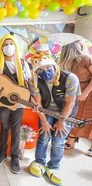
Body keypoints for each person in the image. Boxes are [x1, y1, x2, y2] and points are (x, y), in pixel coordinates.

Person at [29, 52, 80, 186]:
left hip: (65, 113)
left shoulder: (70, 78)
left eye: (47, 67)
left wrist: (61, 121)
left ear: (54, 65)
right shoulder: (34, 80)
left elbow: (70, 103)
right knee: (44, 136)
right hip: (46, 111)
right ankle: (39, 162)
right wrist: (45, 122)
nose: (44, 71)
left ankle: (54, 167)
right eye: (40, 69)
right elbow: (38, 103)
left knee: (58, 140)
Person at [0, 32, 31, 174]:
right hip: (2, 100)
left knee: (16, 129)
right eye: (5, 45)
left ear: (16, 46)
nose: (8, 47)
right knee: (4, 126)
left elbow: (29, 83)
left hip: (18, 102)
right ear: (1, 47)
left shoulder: (23, 63)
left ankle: (15, 157)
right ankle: (2, 153)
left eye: (11, 44)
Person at [58, 40, 92, 155]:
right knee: (76, 117)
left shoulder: (85, 59)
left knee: (89, 118)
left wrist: (86, 92)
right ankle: (71, 139)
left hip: (89, 91)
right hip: (76, 93)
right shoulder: (67, 63)